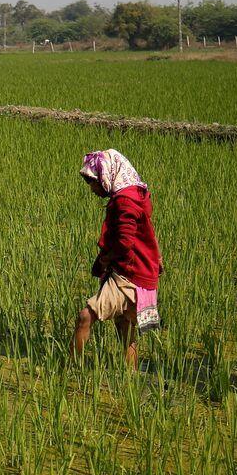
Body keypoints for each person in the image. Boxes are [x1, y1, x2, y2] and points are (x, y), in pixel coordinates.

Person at [71, 150, 162, 370]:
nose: (92, 189)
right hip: (140, 273)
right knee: (125, 328)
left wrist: (104, 260)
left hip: (129, 274)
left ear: (106, 176)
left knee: (85, 316)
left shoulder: (125, 202)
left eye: (94, 183)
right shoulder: (134, 194)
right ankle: (130, 380)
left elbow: (124, 244)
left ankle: (70, 369)